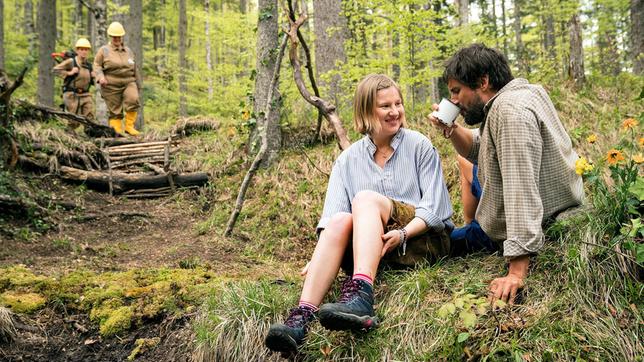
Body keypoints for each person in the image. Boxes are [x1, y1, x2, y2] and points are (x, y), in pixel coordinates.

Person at [264, 74, 453, 354]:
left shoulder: (419, 145)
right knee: (341, 219)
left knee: (364, 198)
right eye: (384, 106)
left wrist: (402, 232)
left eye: (398, 103)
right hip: (373, 252)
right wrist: (319, 258)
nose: (395, 112)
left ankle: (362, 295)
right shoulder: (347, 160)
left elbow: (436, 209)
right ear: (366, 111)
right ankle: (301, 318)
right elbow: (332, 221)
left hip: (421, 240)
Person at [428, 43, 584, 305]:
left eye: (457, 91)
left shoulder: (510, 113)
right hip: (555, 201)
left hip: (543, 218)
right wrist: (453, 130)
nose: (454, 101)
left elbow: (519, 186)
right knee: (466, 165)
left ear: (483, 81)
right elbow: (481, 148)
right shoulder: (523, 93)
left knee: (439, 244)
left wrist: (516, 270)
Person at [93, 21, 142, 135]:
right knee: (115, 110)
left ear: (122, 36)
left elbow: (135, 68)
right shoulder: (104, 50)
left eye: (118, 36)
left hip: (128, 81)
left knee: (133, 99)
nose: (117, 39)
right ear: (110, 36)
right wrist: (100, 77)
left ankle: (129, 127)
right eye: (114, 37)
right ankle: (117, 131)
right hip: (110, 84)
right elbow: (96, 65)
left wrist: (139, 85)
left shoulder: (128, 51)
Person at [53, 38, 95, 129]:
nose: (84, 52)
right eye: (81, 49)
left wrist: (94, 76)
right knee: (73, 121)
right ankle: (69, 137)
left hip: (85, 94)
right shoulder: (71, 62)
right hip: (71, 94)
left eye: (86, 49)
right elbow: (55, 70)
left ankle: (91, 136)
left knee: (90, 118)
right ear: (77, 50)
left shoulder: (89, 65)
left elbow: (93, 80)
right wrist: (69, 73)